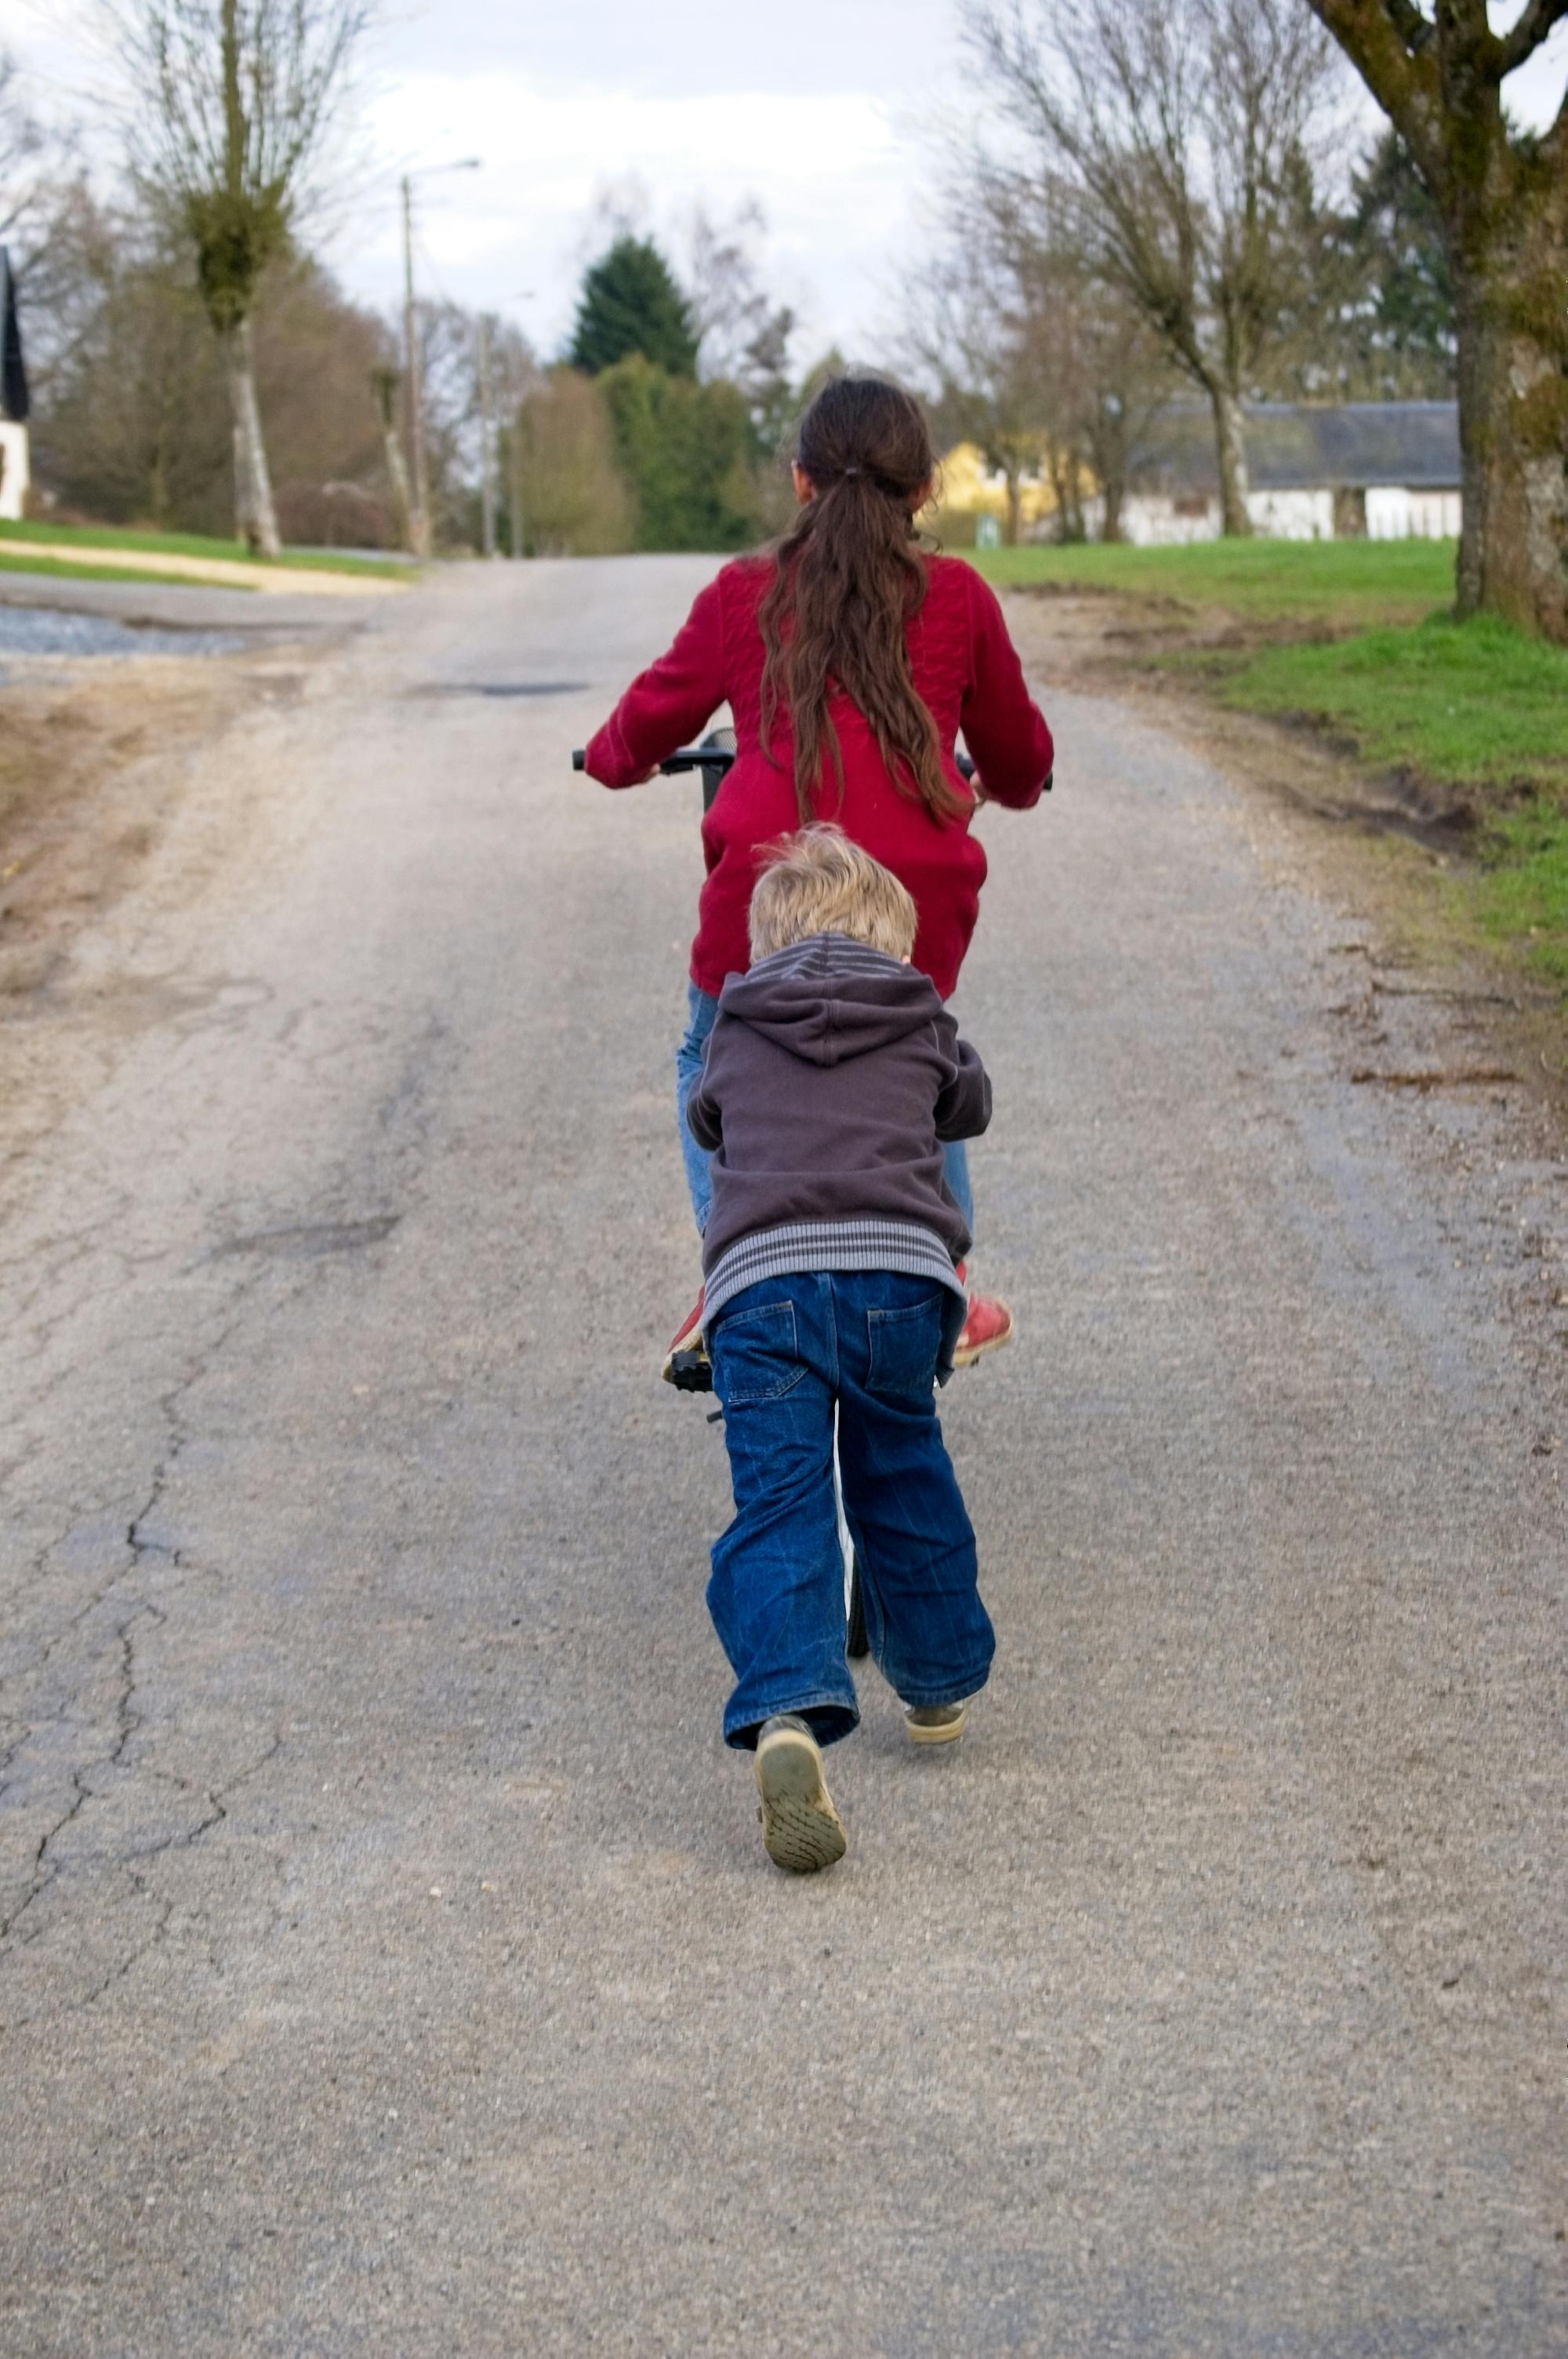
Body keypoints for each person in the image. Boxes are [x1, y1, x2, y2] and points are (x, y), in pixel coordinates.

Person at [581, 370, 1053, 1386]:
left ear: (799, 482)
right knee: (918, 1048)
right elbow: (1016, 755)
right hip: (912, 901)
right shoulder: (959, 597)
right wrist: (1012, 784)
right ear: (924, 489)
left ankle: (730, 1274)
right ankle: (951, 1284)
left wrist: (608, 757)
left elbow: (655, 712)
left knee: (708, 1052)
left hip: (769, 890)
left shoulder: (746, 594)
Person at [688, 824, 996, 1874]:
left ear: (767, 939)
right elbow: (971, 1105)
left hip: (761, 1293)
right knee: (901, 1464)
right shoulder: (921, 1016)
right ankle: (939, 1683)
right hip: (897, 1284)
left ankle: (784, 1713)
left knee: (781, 1502)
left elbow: (709, 1119)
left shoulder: (738, 1021)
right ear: (896, 942)